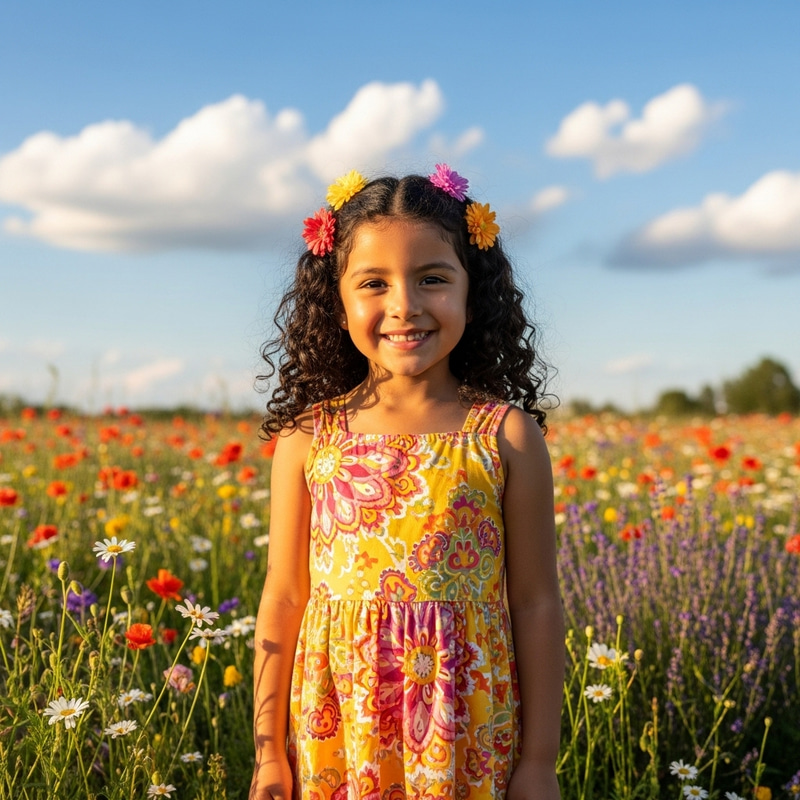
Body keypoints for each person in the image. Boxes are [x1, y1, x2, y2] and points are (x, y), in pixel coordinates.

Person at [250, 166, 564, 800]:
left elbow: (536, 604)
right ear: (335, 304)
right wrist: (268, 759)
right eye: (374, 283)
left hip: (467, 729)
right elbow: (284, 598)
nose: (405, 305)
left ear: (474, 294)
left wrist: (539, 763)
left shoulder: (505, 436)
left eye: (433, 279)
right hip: (336, 732)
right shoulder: (309, 438)